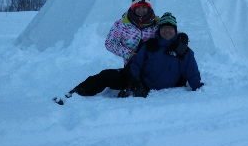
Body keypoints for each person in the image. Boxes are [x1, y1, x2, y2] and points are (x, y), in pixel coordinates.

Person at [53, 12, 203, 105]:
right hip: (141, 80)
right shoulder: (150, 45)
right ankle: (75, 93)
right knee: (106, 75)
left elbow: (192, 72)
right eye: (164, 27)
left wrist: (198, 88)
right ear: (159, 29)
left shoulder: (183, 51)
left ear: (176, 30)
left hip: (158, 87)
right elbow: (136, 64)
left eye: (170, 28)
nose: (167, 30)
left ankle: (127, 91)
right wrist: (135, 80)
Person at [105, 0, 159, 66]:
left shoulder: (156, 22)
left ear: (148, 8)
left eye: (144, 7)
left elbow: (170, 34)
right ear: (133, 8)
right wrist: (128, 53)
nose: (141, 10)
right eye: (138, 7)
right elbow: (110, 43)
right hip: (131, 67)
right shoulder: (122, 24)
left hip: (154, 66)